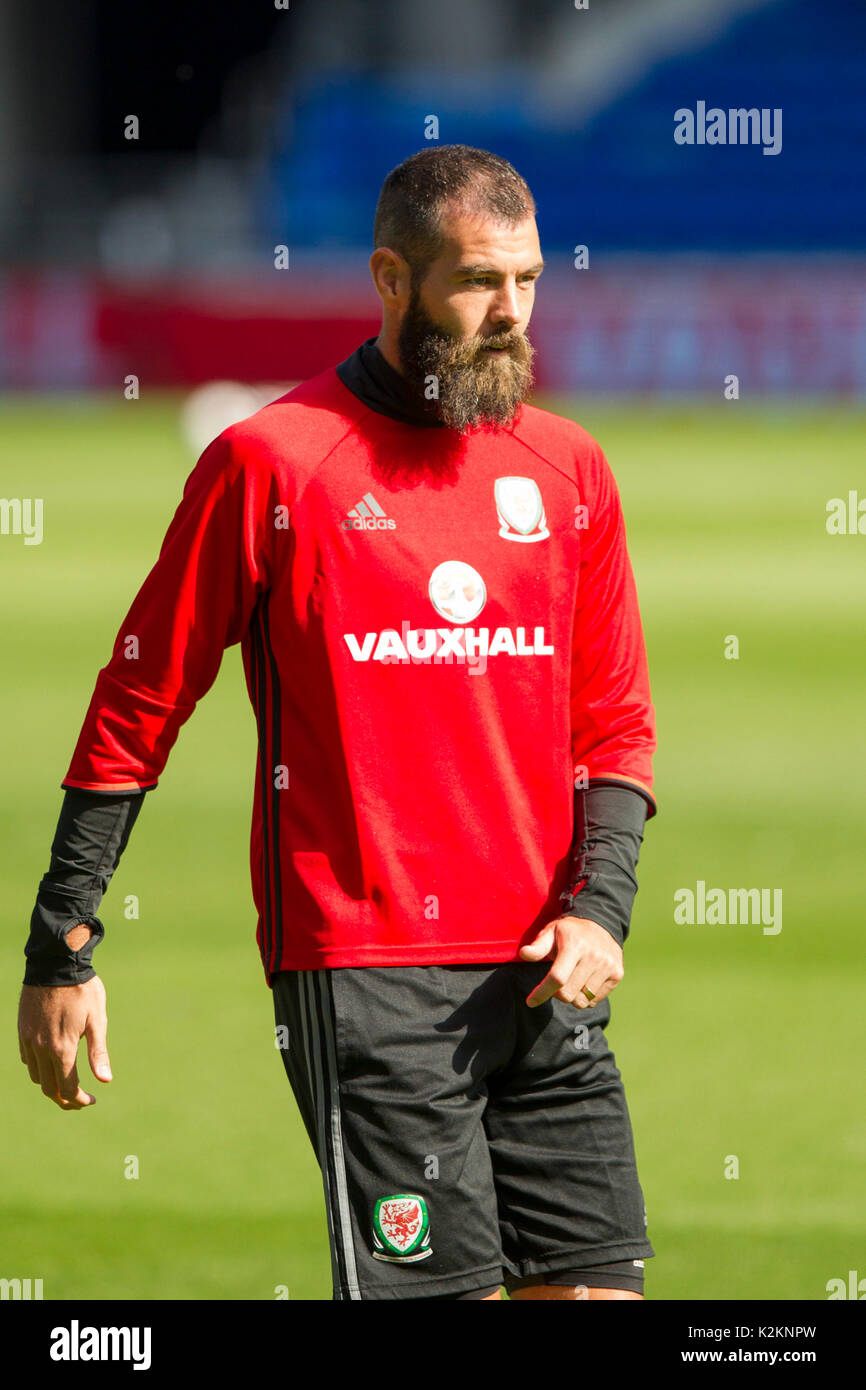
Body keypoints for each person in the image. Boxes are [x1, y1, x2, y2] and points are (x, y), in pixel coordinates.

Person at [18, 145, 657, 1301]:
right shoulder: (269, 463)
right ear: (389, 278)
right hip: (367, 973)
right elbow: (139, 699)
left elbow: (610, 725)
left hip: (542, 970)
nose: (509, 312)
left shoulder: (569, 469)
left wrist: (597, 912)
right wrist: (63, 938)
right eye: (475, 281)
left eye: (526, 280)